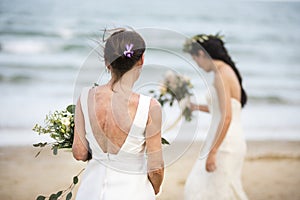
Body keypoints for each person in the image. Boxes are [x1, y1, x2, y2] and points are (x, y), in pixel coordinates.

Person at [72, 29, 164, 200]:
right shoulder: (149, 107)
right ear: (141, 60)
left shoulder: (85, 98)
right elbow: (156, 168)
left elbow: (79, 153)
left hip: (91, 191)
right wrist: (155, 190)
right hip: (133, 193)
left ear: (107, 62)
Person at [183, 34, 248, 200]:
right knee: (219, 190)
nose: (197, 64)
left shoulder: (221, 75)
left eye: (195, 59)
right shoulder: (227, 70)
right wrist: (195, 107)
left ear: (202, 54)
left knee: (200, 188)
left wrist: (213, 152)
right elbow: (221, 109)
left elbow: (226, 117)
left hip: (224, 143)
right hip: (229, 139)